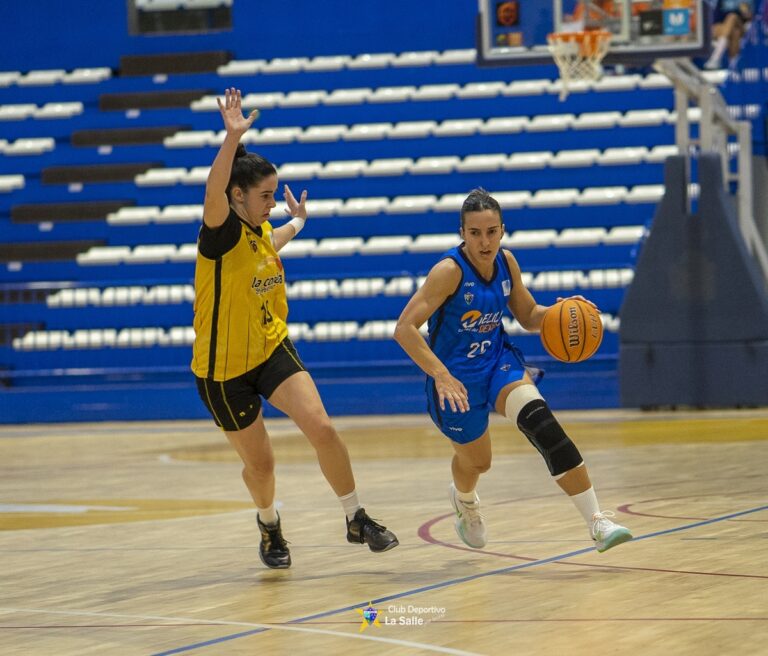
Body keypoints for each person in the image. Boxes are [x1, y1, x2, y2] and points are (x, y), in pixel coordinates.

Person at [191, 88, 398, 569]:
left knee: (322, 427)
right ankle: (269, 526)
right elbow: (212, 190)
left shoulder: (260, 231)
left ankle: (355, 517)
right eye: (264, 196)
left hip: (270, 349)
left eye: (273, 194)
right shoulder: (219, 232)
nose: (270, 203)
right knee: (261, 465)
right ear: (236, 196)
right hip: (222, 371)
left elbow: (273, 240)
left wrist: (297, 223)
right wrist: (230, 140)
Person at [393, 188, 632, 553]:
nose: (484, 241)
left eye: (491, 232)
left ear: (502, 230)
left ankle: (597, 521)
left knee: (544, 425)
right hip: (456, 381)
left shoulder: (507, 262)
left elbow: (528, 315)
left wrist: (561, 310)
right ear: (463, 233)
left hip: (498, 363)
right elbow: (404, 329)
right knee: (477, 463)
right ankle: (464, 499)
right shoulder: (448, 272)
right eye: (475, 233)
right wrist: (441, 375)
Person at [704, 0, 753, 69]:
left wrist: (745, 12)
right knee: (735, 32)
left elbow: (751, 18)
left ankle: (716, 58)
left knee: (732, 17)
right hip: (724, 28)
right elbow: (716, 19)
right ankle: (733, 63)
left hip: (741, 26)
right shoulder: (721, 2)